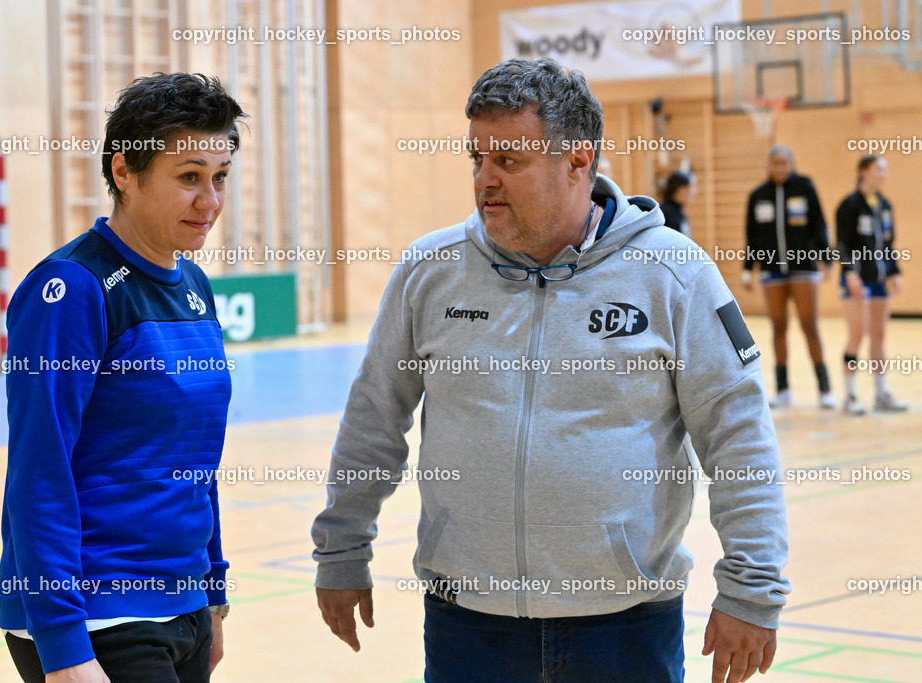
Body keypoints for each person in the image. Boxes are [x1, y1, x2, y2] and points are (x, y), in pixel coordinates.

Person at [312, 58, 789, 683]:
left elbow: (738, 433)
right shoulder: (429, 272)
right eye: (476, 158)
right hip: (469, 628)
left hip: (626, 628)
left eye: (508, 161)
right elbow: (374, 418)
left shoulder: (674, 275)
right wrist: (343, 550)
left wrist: (752, 587)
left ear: (577, 162)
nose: (485, 179)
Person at [0, 73, 245, 683]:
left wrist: (211, 590)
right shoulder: (70, 290)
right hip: (98, 615)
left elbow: (196, 459)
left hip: (183, 607)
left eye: (219, 177)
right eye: (188, 176)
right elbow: (38, 470)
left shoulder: (193, 287)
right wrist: (63, 645)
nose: (209, 201)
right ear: (125, 172)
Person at [741, 145, 833, 409]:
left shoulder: (805, 188)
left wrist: (825, 258)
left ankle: (824, 387)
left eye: (784, 163)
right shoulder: (758, 196)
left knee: (809, 324)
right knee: (778, 326)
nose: (780, 168)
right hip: (772, 270)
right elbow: (753, 236)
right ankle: (782, 389)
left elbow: (819, 225)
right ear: (769, 165)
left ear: (792, 164)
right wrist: (748, 268)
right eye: (775, 163)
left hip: (804, 267)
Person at [836, 155, 908, 414]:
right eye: (878, 169)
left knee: (878, 336)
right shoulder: (849, 205)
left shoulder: (885, 205)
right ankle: (850, 396)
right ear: (863, 172)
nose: (883, 174)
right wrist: (850, 273)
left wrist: (894, 272)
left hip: (879, 281)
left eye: (885, 170)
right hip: (857, 280)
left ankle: (882, 394)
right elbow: (842, 244)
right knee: (857, 335)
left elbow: (888, 244)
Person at [660, 170, 695, 237]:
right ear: (681, 190)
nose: (692, 192)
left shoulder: (677, 212)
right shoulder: (666, 213)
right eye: (689, 188)